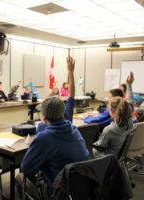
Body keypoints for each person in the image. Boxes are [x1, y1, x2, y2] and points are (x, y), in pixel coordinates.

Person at [16, 57, 90, 199]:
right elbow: (71, 96)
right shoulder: (71, 125)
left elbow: (26, 168)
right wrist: (70, 72)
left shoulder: (45, 137)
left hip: (59, 192)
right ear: (63, 113)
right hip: (81, 188)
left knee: (21, 176)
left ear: (43, 117)